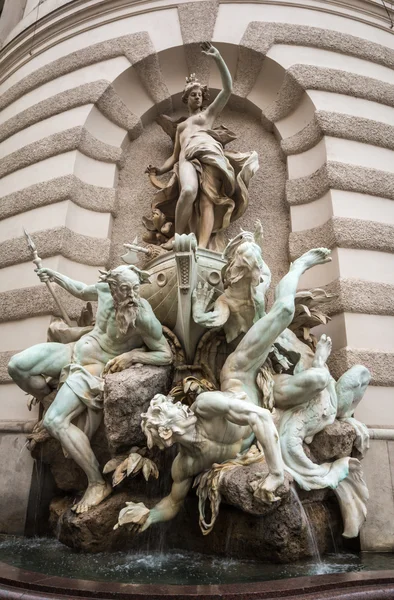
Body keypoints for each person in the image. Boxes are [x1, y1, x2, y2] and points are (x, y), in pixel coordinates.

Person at [114, 248, 332, 533]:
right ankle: (318, 364)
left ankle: (299, 264)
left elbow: (261, 419)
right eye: (163, 419)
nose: (176, 406)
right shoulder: (183, 465)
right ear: (167, 434)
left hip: (241, 371)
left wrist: (276, 473)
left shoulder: (205, 406)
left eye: (168, 410)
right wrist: (148, 516)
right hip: (269, 398)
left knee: (285, 311)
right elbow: (173, 501)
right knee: (318, 380)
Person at [8, 265, 172, 513]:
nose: (132, 296)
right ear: (113, 287)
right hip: (74, 351)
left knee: (54, 421)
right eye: (126, 290)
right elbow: (82, 290)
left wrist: (133, 356)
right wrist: (54, 275)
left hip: (95, 368)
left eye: (136, 289)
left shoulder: (143, 316)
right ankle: (51, 399)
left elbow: (165, 354)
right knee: (16, 366)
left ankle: (96, 482)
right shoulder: (106, 290)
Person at [146, 42, 258, 250]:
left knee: (208, 201)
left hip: (210, 155)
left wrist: (218, 58)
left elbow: (227, 89)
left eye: (199, 94)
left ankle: (203, 246)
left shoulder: (208, 115)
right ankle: (179, 237)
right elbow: (174, 156)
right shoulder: (181, 128)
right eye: (193, 94)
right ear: (186, 98)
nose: (197, 96)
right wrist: (159, 170)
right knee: (188, 191)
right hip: (187, 158)